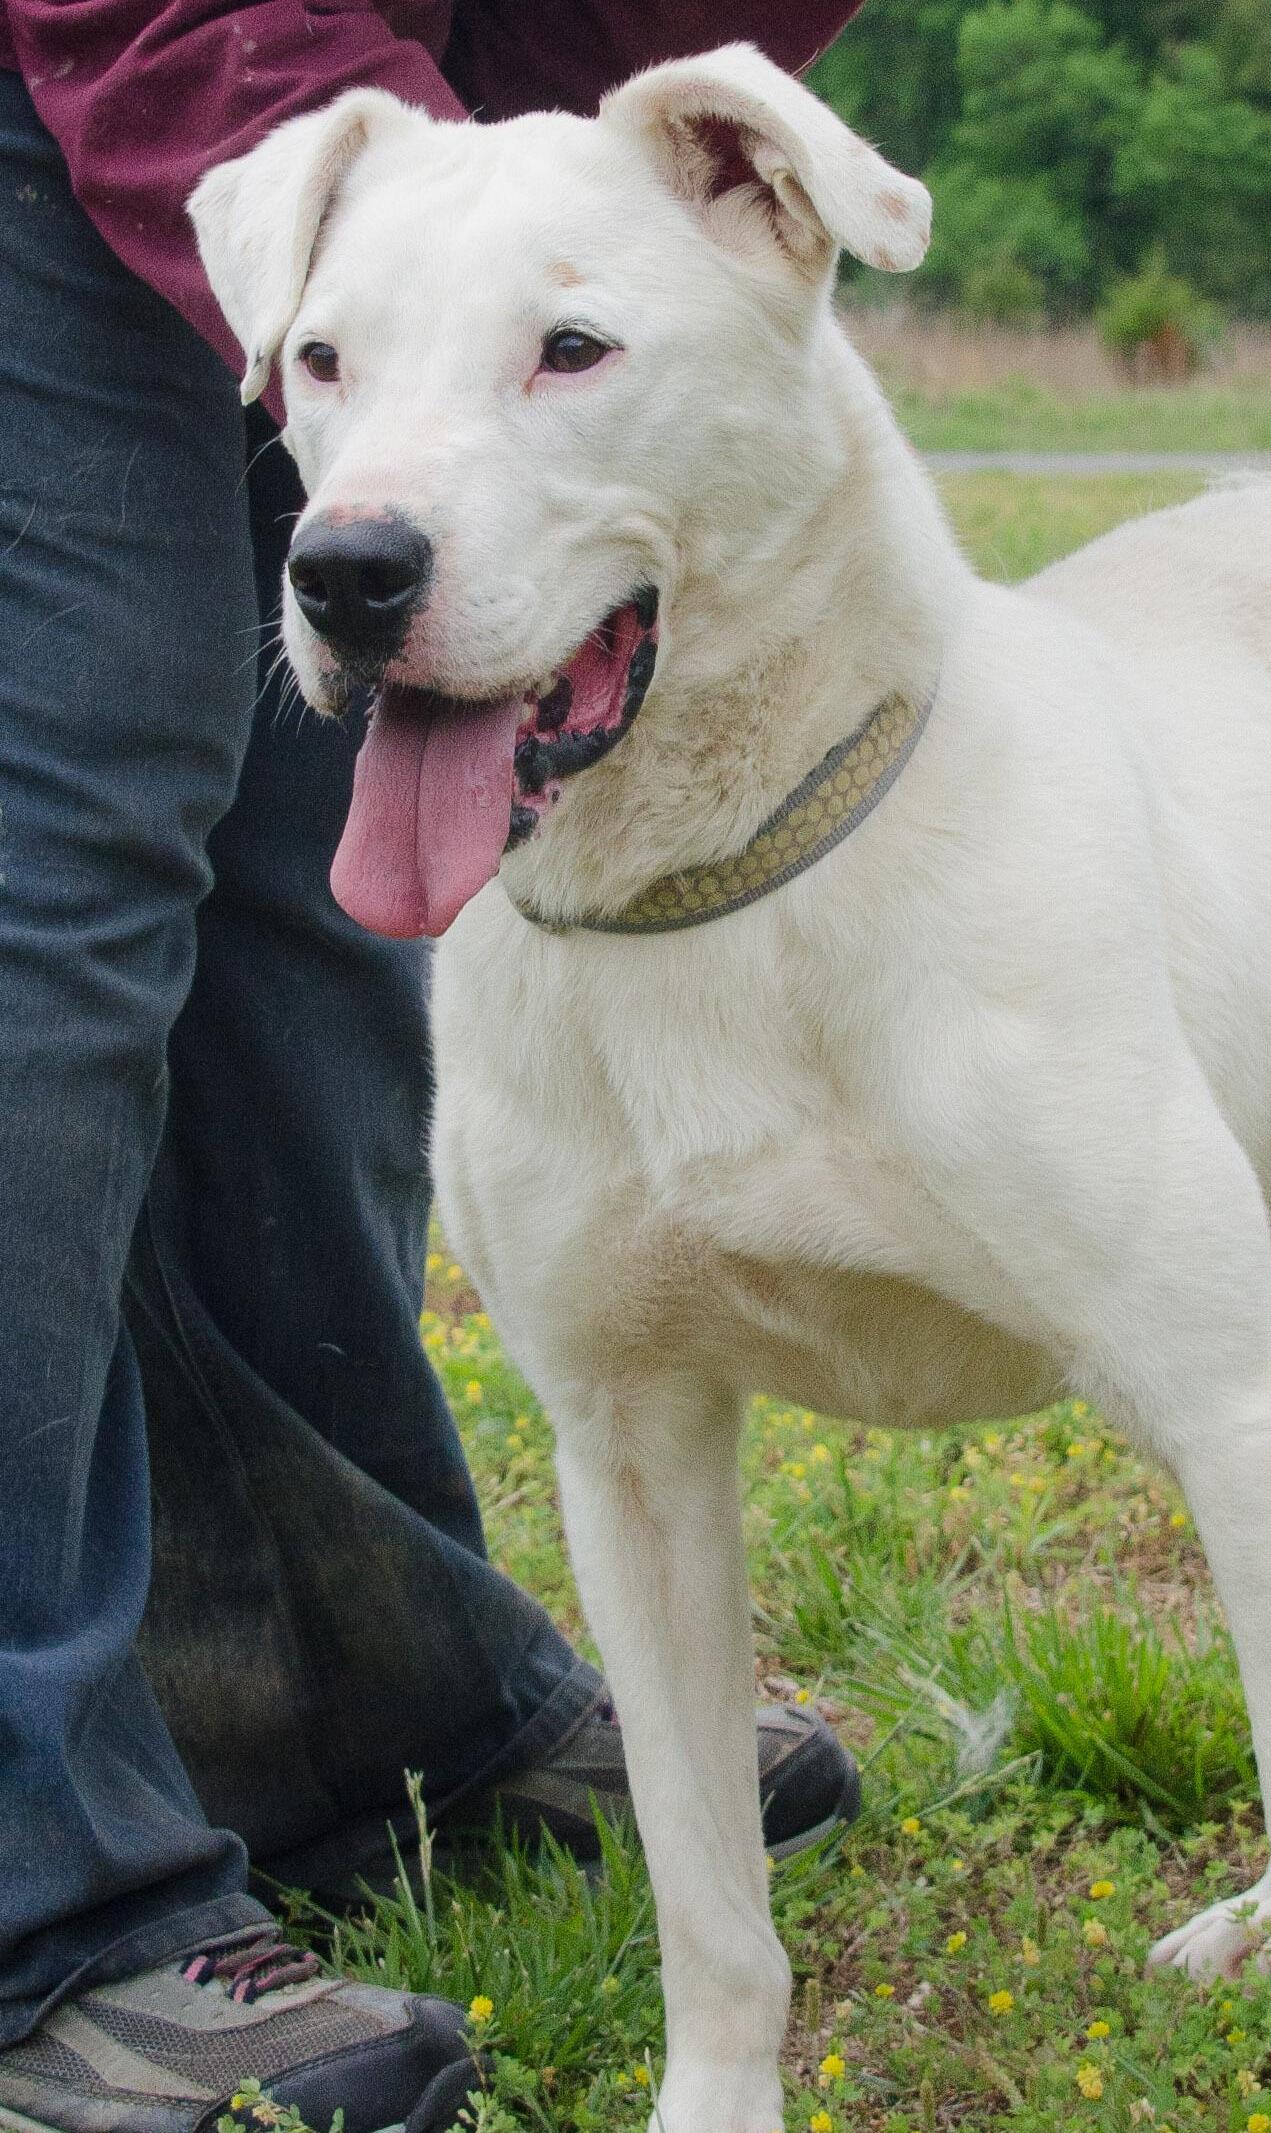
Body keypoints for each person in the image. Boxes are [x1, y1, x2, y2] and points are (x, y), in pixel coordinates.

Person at [0, 5, 864, 2129]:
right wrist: (474, 252)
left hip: (416, 96)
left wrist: (608, 252)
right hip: (122, 56)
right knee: (51, 872)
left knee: (325, 878)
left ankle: (366, 1703)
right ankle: (31, 1897)